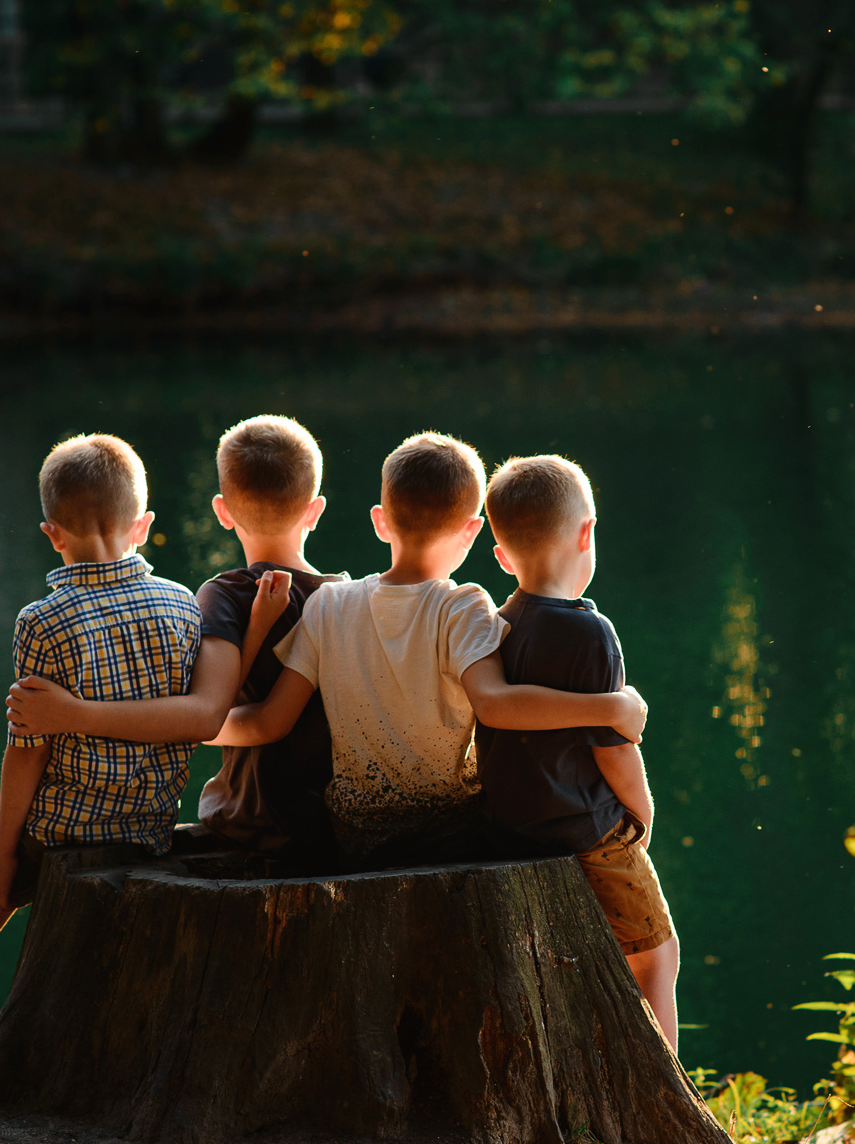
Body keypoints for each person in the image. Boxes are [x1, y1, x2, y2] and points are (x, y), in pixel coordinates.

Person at [0, 434, 205, 1133]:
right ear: (144, 524)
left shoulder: (42, 621)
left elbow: (26, 750)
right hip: (145, 829)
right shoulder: (183, 605)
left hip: (57, 831)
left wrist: (5, 854)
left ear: (49, 533)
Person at [218, 432, 648, 867]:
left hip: (356, 836)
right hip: (452, 835)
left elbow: (271, 722)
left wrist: (203, 725)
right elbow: (496, 705)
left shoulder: (329, 603)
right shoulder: (462, 608)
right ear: (472, 530)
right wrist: (610, 708)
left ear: (380, 521)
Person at [5, 415, 342, 862]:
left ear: (221, 511)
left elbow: (210, 717)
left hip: (249, 818)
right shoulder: (345, 598)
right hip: (333, 822)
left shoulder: (222, 595)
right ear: (316, 510)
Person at [476, 455, 680, 1050]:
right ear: (587, 532)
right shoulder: (592, 632)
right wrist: (640, 814)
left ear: (502, 556)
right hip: (587, 829)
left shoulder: (497, 625)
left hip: (513, 828)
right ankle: (670, 1090)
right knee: (656, 957)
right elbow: (613, 750)